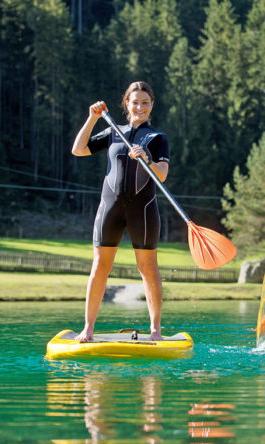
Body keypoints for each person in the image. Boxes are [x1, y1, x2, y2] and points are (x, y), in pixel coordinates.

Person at [71, 81, 170, 342]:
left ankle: (155, 331)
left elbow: (162, 175)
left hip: (144, 211)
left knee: (148, 268)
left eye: (145, 103)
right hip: (110, 209)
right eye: (135, 102)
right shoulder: (114, 132)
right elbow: (78, 150)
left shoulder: (158, 138)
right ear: (126, 104)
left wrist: (147, 158)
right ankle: (88, 329)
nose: (140, 107)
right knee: (100, 267)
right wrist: (92, 118)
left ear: (151, 106)